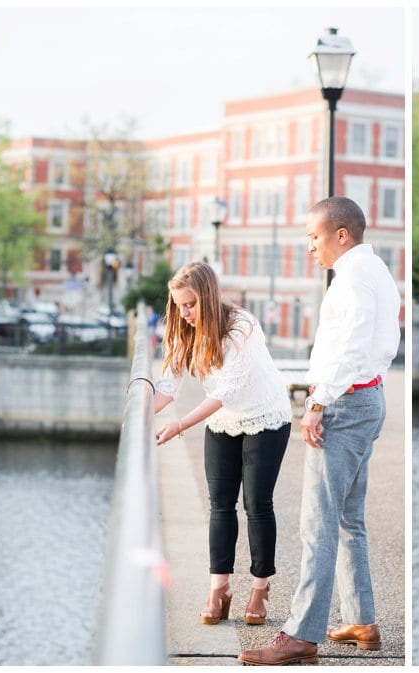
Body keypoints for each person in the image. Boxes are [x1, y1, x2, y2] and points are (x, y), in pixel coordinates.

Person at [241, 196, 398, 666]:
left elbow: (347, 348)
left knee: (319, 523)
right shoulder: (378, 273)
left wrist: (317, 403)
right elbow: (378, 346)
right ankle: (361, 621)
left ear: (341, 235)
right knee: (349, 519)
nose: (310, 246)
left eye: (314, 236)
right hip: (367, 399)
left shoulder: (350, 280)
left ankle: (301, 634)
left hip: (344, 404)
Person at [150, 262, 293, 627]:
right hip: (224, 422)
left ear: (209, 298)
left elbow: (224, 392)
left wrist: (179, 425)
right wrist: (137, 410)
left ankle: (260, 588)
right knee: (220, 504)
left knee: (257, 503)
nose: (185, 313)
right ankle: (220, 589)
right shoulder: (184, 328)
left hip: (265, 417)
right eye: (179, 306)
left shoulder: (241, 327)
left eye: (191, 305)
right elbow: (168, 385)